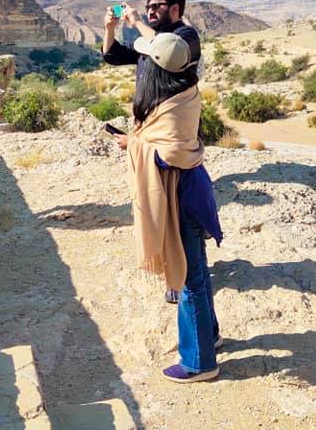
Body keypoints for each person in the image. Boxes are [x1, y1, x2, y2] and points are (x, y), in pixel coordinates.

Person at [114, 32, 224, 383]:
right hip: (194, 192)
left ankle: (198, 362)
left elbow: (168, 155)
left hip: (182, 198)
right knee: (199, 273)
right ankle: (210, 337)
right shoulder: (184, 91)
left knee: (188, 280)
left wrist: (132, 144)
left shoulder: (170, 106)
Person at [102, 0, 201, 88]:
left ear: (174, 9)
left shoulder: (187, 35)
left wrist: (137, 22)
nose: (150, 11)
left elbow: (166, 48)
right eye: (148, 7)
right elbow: (113, 56)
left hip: (173, 105)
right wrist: (109, 29)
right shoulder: (147, 38)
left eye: (155, 6)